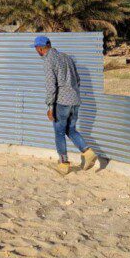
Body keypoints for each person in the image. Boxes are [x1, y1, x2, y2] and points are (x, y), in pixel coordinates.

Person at [33, 36, 97, 174]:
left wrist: (50, 107)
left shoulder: (49, 60)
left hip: (61, 102)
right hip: (75, 100)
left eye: (36, 49)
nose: (36, 51)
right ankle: (88, 152)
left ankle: (64, 163)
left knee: (59, 132)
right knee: (71, 129)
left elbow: (51, 86)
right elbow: (78, 80)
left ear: (40, 48)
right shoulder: (66, 57)